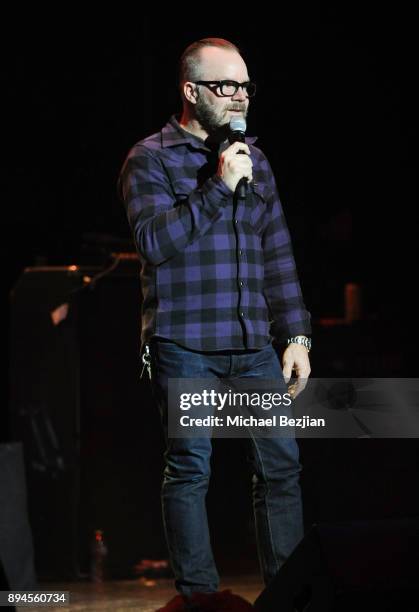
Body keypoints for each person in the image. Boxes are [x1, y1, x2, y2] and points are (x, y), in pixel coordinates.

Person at [118, 37, 312, 600]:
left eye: (245, 86)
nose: (239, 98)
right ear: (190, 90)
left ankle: (289, 594)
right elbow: (154, 242)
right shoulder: (150, 158)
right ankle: (200, 600)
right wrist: (217, 187)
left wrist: (295, 332)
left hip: (253, 341)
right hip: (184, 342)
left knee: (281, 468)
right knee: (191, 468)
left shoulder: (255, 157)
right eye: (225, 86)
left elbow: (277, 251)